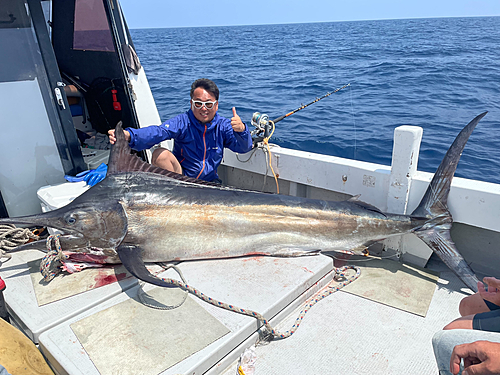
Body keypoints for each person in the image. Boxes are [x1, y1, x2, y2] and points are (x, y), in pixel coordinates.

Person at [108, 78, 253, 182]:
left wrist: (241, 131)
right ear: (191, 104)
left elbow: (244, 148)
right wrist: (128, 135)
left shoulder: (224, 126)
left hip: (209, 182)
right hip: (182, 179)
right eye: (198, 103)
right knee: (160, 155)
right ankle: (175, 191)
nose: (203, 108)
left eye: (209, 104)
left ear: (216, 105)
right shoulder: (183, 122)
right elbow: (158, 132)